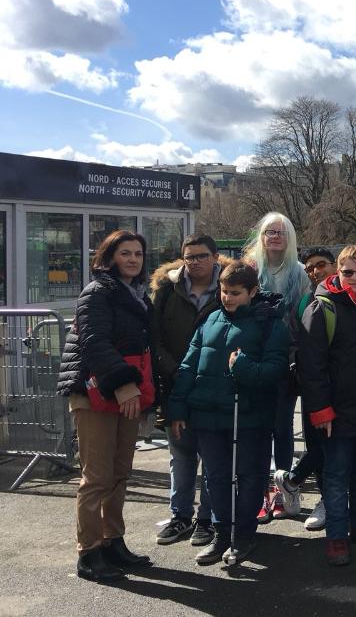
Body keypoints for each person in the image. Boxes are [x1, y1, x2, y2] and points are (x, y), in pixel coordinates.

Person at [168, 261, 290, 565]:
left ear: (252, 291)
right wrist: (178, 408)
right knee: (216, 478)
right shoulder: (209, 320)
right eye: (224, 291)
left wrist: (245, 368)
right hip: (208, 417)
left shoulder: (270, 324)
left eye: (235, 293)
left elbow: (276, 370)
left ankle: (244, 534)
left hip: (248, 418)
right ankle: (222, 534)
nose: (228, 298)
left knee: (249, 477)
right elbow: (187, 366)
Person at [58, 230, 155, 582]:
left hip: (125, 394)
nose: (132, 259)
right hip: (95, 391)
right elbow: (95, 342)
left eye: (138, 254)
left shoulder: (139, 296)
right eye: (125, 253)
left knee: (119, 473)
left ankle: (113, 541)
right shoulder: (96, 292)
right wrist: (126, 384)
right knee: (96, 477)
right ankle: (88, 552)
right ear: (109, 256)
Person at [298, 245, 356, 565]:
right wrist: (320, 409)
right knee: (337, 477)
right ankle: (337, 536)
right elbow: (311, 366)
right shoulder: (321, 309)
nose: (354, 278)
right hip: (337, 413)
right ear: (338, 271)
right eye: (347, 272)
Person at [150, 234, 230, 547]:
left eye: (201, 256)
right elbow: (153, 337)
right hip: (174, 387)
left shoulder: (227, 287)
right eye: (189, 256)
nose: (194, 262)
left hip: (212, 387)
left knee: (213, 457)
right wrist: (176, 369)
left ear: (215, 256)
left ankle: (206, 520)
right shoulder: (167, 291)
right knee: (181, 456)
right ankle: (180, 516)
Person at [243, 212, 311, 523]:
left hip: (285, 360)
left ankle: (285, 491)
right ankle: (259, 495)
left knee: (282, 429)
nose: (274, 237)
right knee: (256, 431)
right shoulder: (249, 268)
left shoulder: (298, 273)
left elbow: (303, 316)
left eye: (281, 232)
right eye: (270, 232)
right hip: (253, 358)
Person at [276, 246, 339, 533]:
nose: (316, 271)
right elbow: (293, 343)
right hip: (312, 387)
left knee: (335, 448)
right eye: (310, 267)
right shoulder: (303, 302)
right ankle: (322, 498)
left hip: (343, 387)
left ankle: (293, 480)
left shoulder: (347, 296)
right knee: (318, 446)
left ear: (334, 265)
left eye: (321, 265)